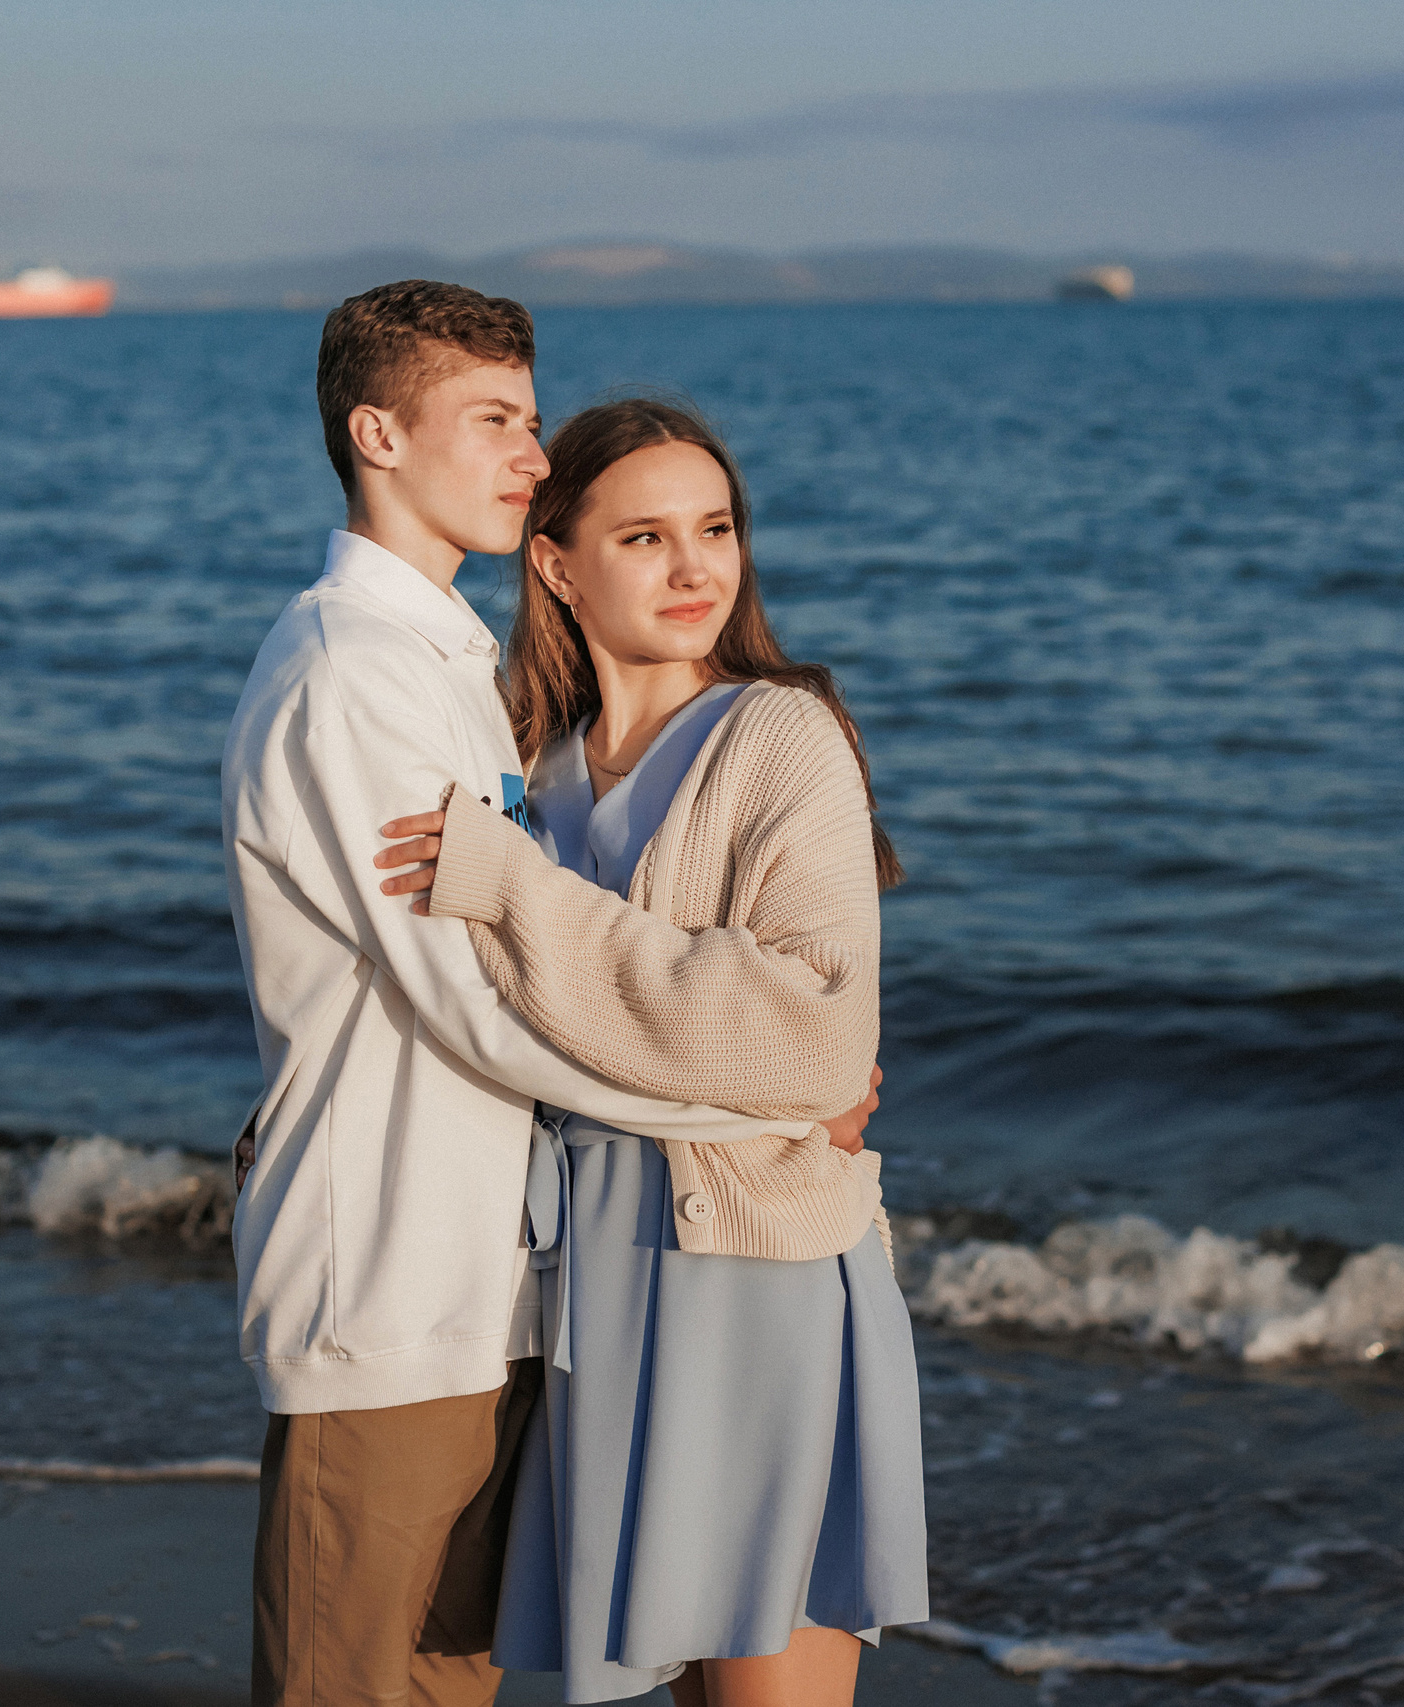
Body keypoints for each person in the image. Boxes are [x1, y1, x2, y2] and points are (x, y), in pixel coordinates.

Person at [222, 286, 878, 1707]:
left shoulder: (469, 676)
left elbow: (562, 961)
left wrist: (792, 1073)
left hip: (544, 1287)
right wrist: (769, 1091)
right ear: (378, 434)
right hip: (408, 1280)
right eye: (497, 424)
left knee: (462, 1679)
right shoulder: (369, 679)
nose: (527, 456)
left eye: (532, 420)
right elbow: (478, 1005)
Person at [373, 398, 930, 1706]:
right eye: (646, 537)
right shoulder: (520, 762)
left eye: (717, 529)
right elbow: (480, 1025)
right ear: (556, 566)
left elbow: (807, 1038)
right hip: (589, 1297)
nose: (697, 569)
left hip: (755, 1281)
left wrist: (519, 897)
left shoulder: (781, 737)